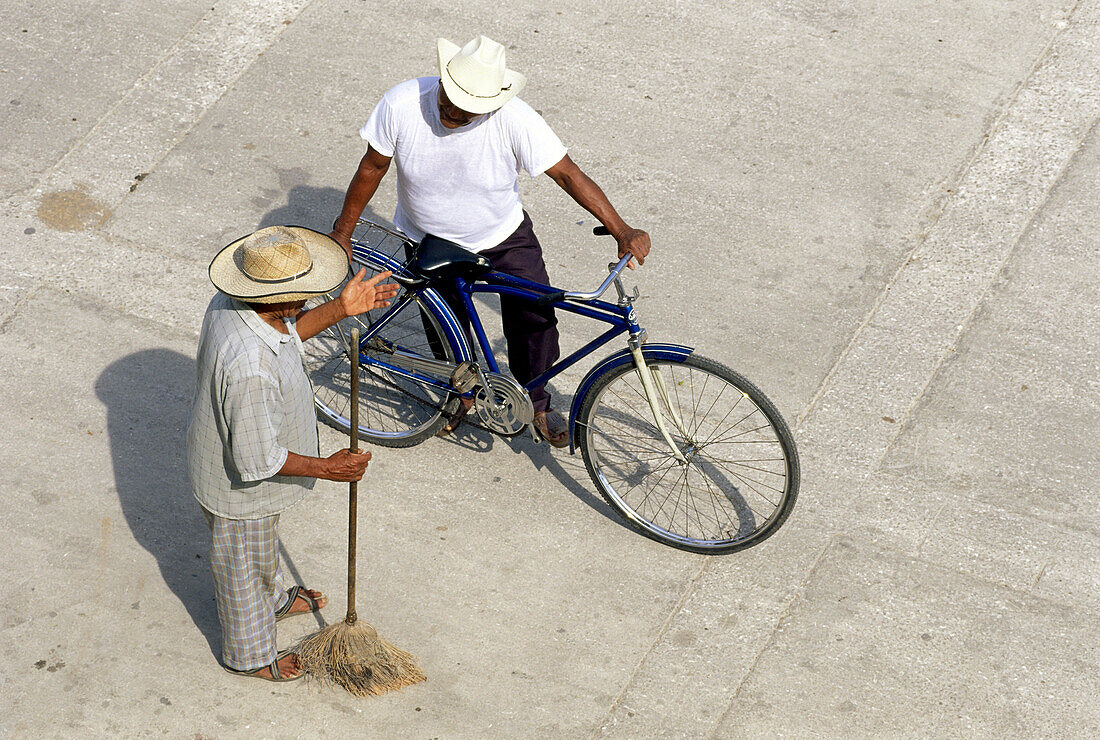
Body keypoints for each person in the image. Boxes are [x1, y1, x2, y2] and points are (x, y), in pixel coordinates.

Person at [329, 35, 651, 447]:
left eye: (466, 113)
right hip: (428, 238)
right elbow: (372, 167)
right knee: (444, 325)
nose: (451, 113)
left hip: (502, 236)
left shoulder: (515, 118)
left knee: (536, 316)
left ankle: (536, 401)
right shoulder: (401, 103)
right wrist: (343, 231)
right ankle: (460, 394)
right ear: (442, 80)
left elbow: (568, 173)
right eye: (448, 101)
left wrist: (621, 229)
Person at [187, 225, 398, 681]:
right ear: (275, 299)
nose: (306, 301)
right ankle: (251, 655)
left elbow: (288, 332)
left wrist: (340, 309)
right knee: (243, 561)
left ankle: (275, 599)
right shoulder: (249, 369)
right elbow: (258, 461)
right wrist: (329, 467)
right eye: (302, 295)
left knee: (261, 547)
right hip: (239, 487)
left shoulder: (236, 303)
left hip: (241, 456)